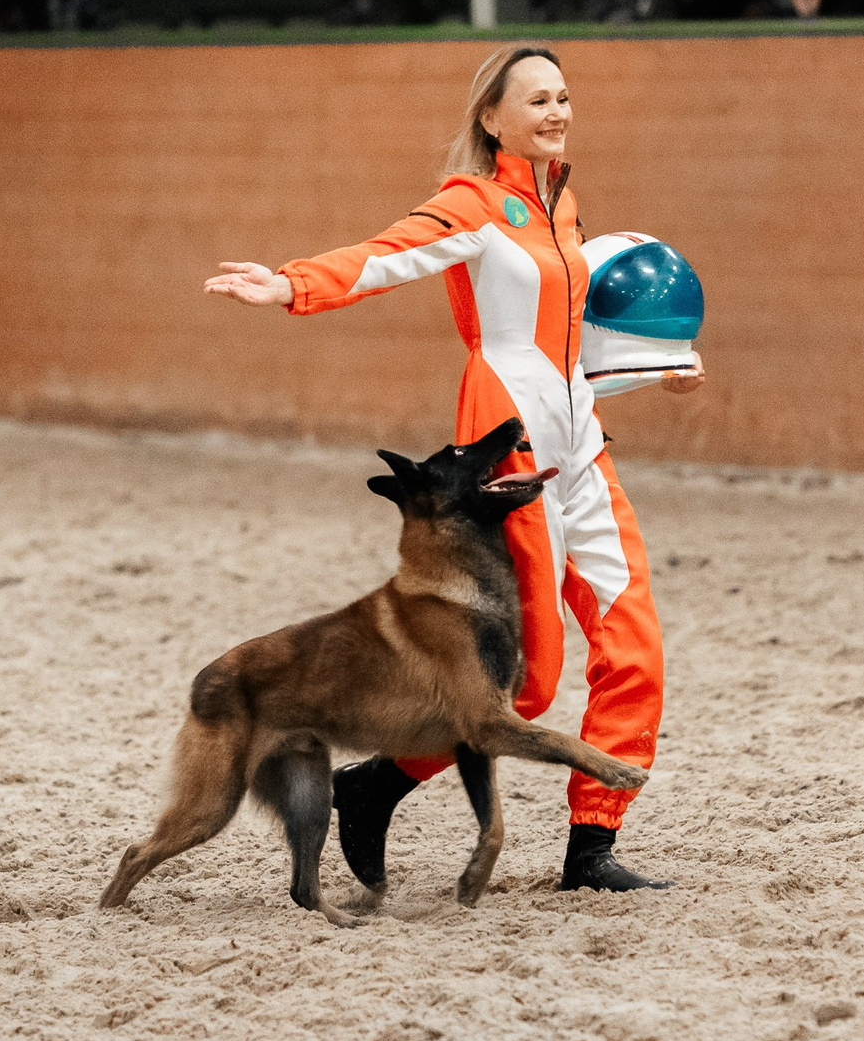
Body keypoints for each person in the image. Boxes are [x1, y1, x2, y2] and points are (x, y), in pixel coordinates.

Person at [200, 46, 697, 893]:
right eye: (537, 100)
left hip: (582, 447)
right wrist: (291, 284)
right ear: (492, 119)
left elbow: (569, 332)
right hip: (513, 453)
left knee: (635, 644)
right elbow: (385, 256)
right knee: (531, 681)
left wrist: (652, 359)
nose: (556, 111)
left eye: (564, 97)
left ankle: (592, 848)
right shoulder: (473, 204)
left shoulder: (563, 205)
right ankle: (376, 785)